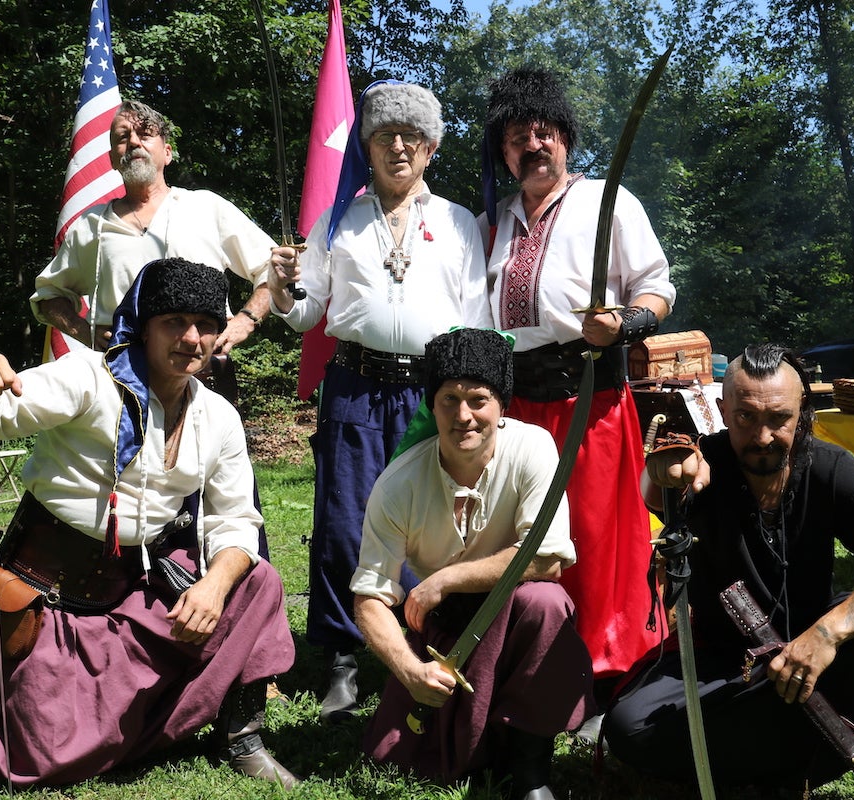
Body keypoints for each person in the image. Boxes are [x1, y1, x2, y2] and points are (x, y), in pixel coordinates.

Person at [0, 258, 299, 788]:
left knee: (254, 578)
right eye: (174, 321)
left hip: (139, 592)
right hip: (47, 597)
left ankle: (240, 735)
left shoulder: (218, 416)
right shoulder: (89, 378)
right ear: (144, 326)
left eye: (206, 325)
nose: (192, 338)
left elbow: (237, 519)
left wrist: (216, 586)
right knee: (46, 757)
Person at [603, 344, 854, 799]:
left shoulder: (832, 469)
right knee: (630, 726)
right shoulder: (703, 468)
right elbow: (658, 487)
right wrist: (664, 468)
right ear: (723, 411)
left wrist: (826, 636)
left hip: (819, 658)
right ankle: (798, 755)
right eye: (745, 417)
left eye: (778, 419)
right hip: (730, 669)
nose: (762, 436)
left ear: (801, 411)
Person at [268, 81, 494, 721]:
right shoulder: (337, 219)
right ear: (367, 145)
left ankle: (426, 638)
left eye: (411, 137)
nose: (398, 146)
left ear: (430, 148)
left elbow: (474, 314)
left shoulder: (457, 223)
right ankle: (342, 654)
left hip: (431, 392)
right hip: (355, 386)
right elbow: (308, 310)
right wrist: (284, 289)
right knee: (344, 522)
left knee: (434, 517)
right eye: (384, 135)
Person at [481, 68, 676, 714]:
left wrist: (625, 322)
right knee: (527, 540)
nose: (532, 145)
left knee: (593, 542)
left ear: (564, 137)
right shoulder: (494, 221)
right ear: (503, 152)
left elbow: (656, 288)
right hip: (516, 407)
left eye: (543, 133)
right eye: (517, 137)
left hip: (589, 400)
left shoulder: (607, 203)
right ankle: (536, 668)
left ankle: (605, 676)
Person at [352, 328, 594, 800]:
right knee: (405, 758)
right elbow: (369, 596)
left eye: (478, 399)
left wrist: (446, 578)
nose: (463, 415)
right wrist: (408, 669)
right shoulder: (397, 484)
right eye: (448, 399)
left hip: (519, 614)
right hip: (447, 636)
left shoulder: (534, 448)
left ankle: (531, 771)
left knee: (546, 602)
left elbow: (545, 560)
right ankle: (483, 735)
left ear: (501, 404)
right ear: (432, 405)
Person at [32, 100, 275, 353]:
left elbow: (273, 266)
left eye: (145, 135)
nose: (134, 142)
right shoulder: (92, 225)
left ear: (167, 153)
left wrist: (248, 319)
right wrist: (82, 331)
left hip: (200, 372)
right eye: (123, 137)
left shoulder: (207, 208)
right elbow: (49, 295)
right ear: (112, 159)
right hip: (119, 374)